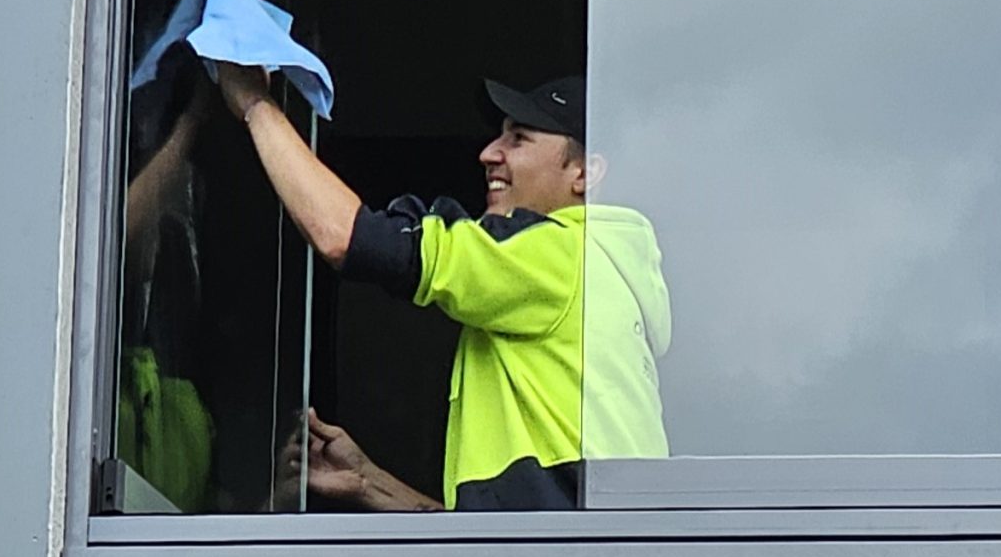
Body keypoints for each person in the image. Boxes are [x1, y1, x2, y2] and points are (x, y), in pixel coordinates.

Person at [212, 64, 670, 512]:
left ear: (585, 174)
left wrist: (255, 104)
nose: (489, 153)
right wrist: (370, 483)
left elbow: (343, 236)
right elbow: (518, 537)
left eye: (519, 138)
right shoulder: (602, 278)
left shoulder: (559, 254)